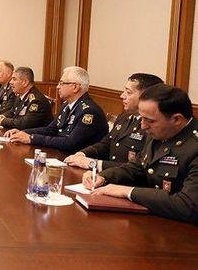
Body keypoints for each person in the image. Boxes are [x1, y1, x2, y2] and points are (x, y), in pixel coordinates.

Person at [83, 84, 198, 224]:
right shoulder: (159, 132)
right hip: (154, 219)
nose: (143, 126)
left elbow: (188, 205)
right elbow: (137, 167)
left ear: (177, 119)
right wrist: (103, 177)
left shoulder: (194, 145)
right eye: (142, 118)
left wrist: (129, 192)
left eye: (150, 120)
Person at [65, 73, 163, 171]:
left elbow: (139, 167)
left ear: (146, 97)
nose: (122, 96)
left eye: (128, 92)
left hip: (124, 177)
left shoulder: (152, 127)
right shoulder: (124, 117)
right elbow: (106, 144)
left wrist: (94, 164)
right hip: (108, 175)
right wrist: (82, 154)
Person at [7, 66, 107, 153]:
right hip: (61, 154)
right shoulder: (66, 105)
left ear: (75, 87)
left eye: (62, 83)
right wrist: (24, 132)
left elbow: (70, 143)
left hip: (76, 160)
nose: (58, 86)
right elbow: (51, 129)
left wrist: (32, 138)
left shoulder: (89, 112)